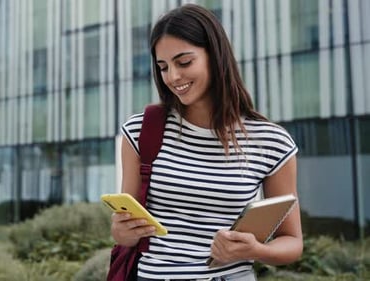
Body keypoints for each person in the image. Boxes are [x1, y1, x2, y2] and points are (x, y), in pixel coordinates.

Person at [110, 3, 303, 281]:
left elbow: (292, 241)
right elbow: (123, 231)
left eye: (184, 62)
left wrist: (256, 249)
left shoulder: (271, 142)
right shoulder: (141, 130)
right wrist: (122, 232)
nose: (173, 77)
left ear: (216, 56)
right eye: (163, 67)